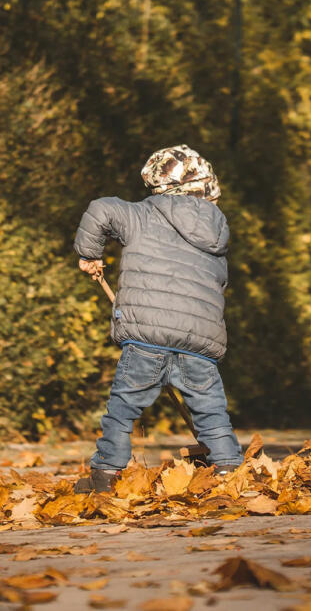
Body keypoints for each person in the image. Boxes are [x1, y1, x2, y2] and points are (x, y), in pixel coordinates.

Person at [73, 145, 243, 493]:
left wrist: (89, 254)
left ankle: (105, 474)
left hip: (147, 338)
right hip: (200, 342)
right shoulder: (217, 234)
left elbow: (100, 209)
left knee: (123, 408)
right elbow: (219, 282)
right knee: (211, 412)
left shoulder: (140, 215)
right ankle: (228, 471)